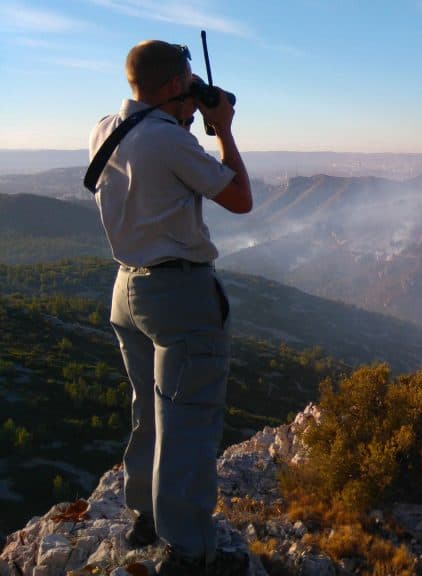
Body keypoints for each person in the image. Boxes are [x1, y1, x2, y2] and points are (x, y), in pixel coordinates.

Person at [88, 40, 252, 575]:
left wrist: (184, 113)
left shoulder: (107, 128)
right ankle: (189, 553)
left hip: (126, 290)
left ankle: (145, 518)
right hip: (178, 297)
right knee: (189, 422)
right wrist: (222, 127)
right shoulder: (165, 141)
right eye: (186, 84)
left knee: (149, 414)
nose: (192, 91)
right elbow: (239, 198)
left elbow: (153, 162)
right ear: (168, 88)